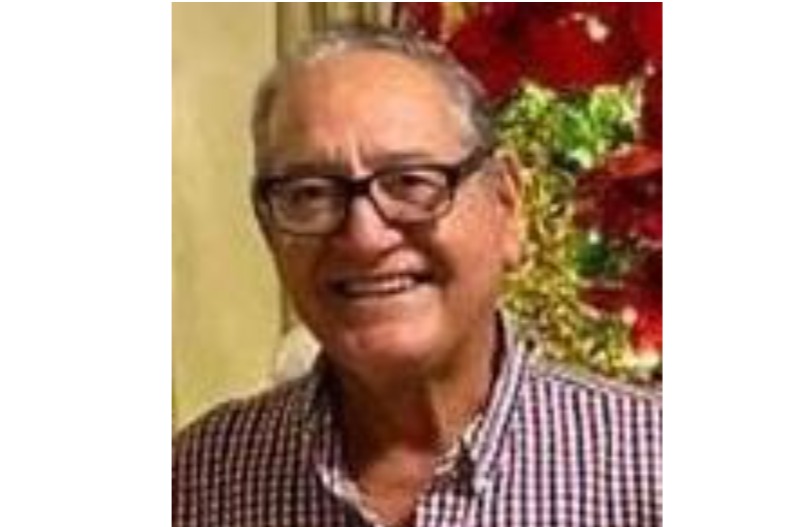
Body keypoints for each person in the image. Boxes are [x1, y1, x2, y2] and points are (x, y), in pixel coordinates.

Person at [173, 26, 661, 527]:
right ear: (269, 230)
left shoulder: (652, 469)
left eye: (410, 182)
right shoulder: (198, 484)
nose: (365, 237)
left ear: (507, 205)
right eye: (311, 193)